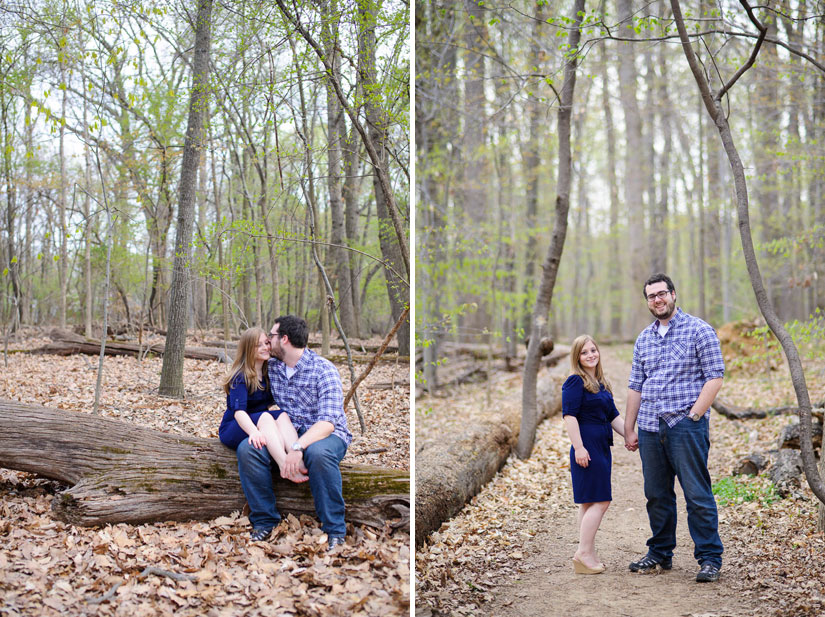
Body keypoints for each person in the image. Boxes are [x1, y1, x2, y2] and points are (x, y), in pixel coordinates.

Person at [624, 273, 725, 583]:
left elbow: (715, 376)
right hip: (650, 428)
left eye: (661, 293)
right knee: (656, 494)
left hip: (685, 426)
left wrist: (695, 415)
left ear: (673, 294)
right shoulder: (644, 338)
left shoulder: (699, 330)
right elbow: (635, 386)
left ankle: (709, 558)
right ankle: (660, 553)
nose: (657, 299)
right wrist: (629, 428)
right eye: (651, 296)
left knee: (697, 494)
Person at [235, 315, 353, 550]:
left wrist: (298, 447)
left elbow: (328, 422)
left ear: (285, 339)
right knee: (248, 449)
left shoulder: (324, 370)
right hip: (285, 431)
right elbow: (246, 373)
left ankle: (335, 530)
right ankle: (265, 521)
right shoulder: (273, 367)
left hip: (325, 435)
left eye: (272, 336)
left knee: (318, 454)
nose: (268, 341)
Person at [562, 335, 626, 575]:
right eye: (584, 352)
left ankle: (587, 552)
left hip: (601, 446)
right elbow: (569, 416)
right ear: (577, 357)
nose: (590, 355)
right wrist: (579, 447)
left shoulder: (600, 383)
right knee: (601, 500)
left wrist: (630, 436)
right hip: (586, 446)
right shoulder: (574, 382)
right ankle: (583, 553)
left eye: (593, 350)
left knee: (589, 501)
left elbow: (613, 416)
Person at [218, 327, 308, 493]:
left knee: (281, 415)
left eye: (266, 343)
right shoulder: (240, 376)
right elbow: (239, 412)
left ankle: (296, 458)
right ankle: (284, 466)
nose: (265, 348)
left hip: (258, 419)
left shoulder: (268, 372)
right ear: (247, 349)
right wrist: (254, 432)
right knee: (266, 418)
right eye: (258, 345)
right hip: (234, 426)